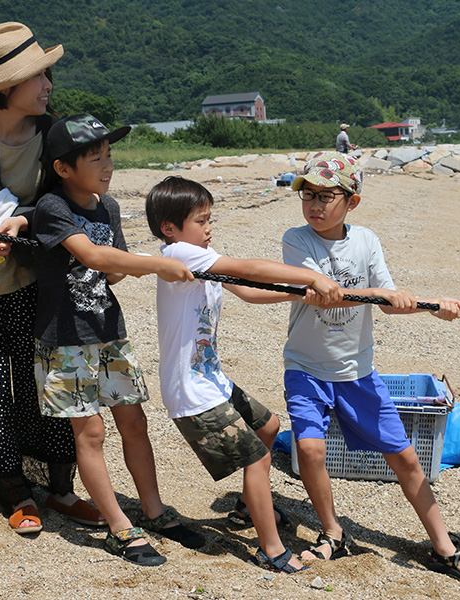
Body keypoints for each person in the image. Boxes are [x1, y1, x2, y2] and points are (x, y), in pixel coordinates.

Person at [282, 151, 460, 582]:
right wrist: (382, 293)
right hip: (306, 367)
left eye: (326, 196)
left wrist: (431, 309)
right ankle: (333, 532)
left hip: (358, 373)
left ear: (351, 201)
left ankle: (444, 548)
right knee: (309, 450)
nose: (315, 205)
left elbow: (391, 303)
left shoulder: (366, 240)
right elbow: (324, 292)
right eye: (308, 196)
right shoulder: (296, 240)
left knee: (406, 460)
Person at [145, 175, 344, 573]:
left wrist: (297, 294)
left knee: (268, 427)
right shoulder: (179, 254)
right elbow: (249, 268)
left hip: (211, 380)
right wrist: (310, 277)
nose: (209, 228)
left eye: (209, 219)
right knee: (258, 461)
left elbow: (247, 289)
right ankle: (270, 550)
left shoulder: (199, 255)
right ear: (170, 228)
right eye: (201, 220)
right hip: (192, 391)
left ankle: (244, 508)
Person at [31, 114, 205, 566]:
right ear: (64, 168)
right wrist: (153, 264)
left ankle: (154, 511)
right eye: (96, 158)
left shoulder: (106, 207)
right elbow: (89, 254)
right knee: (90, 434)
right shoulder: (53, 208)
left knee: (134, 425)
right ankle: (119, 528)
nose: (108, 165)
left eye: (110, 155)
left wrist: (136, 263)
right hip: (63, 340)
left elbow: (111, 268)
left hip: (108, 332)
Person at [0, 22, 104, 534]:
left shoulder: (52, 135)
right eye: (40, 76)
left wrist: (24, 215)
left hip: (32, 283)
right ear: (7, 86)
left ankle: (59, 487)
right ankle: (11, 490)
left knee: (40, 382)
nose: (49, 85)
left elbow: (68, 200)